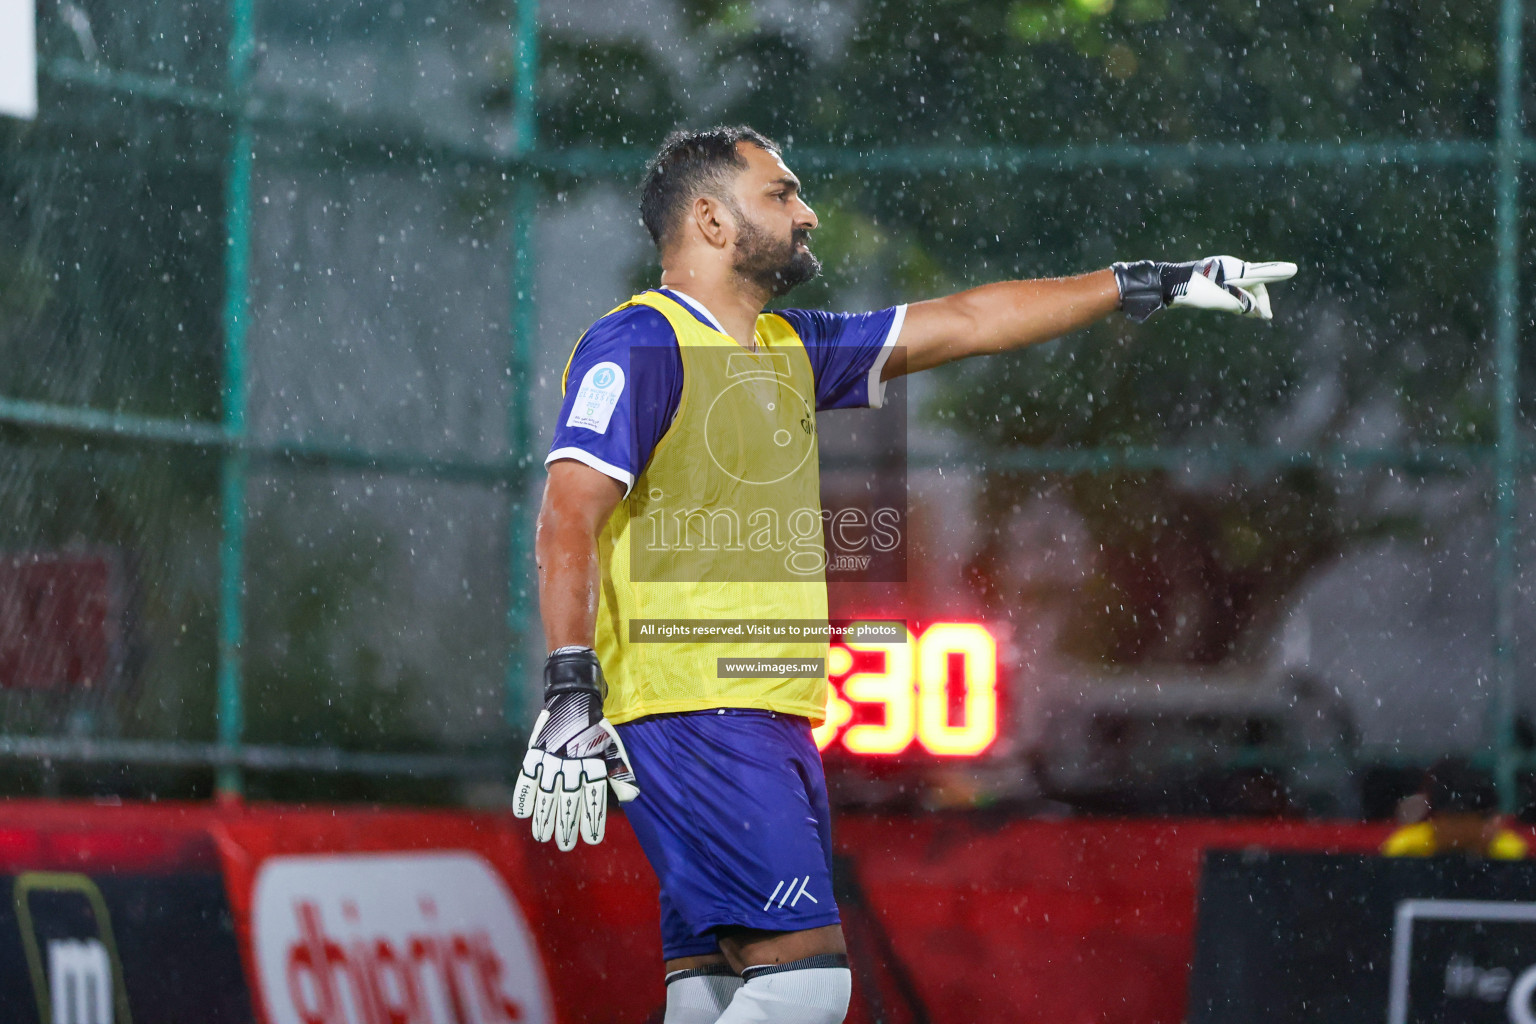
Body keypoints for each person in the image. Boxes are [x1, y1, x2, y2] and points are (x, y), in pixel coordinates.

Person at [512, 124, 1295, 1024]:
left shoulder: (786, 347)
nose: (806, 214)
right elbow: (567, 517)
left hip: (760, 717)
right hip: (699, 713)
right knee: (806, 986)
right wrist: (570, 684)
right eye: (781, 193)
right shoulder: (640, 345)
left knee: (711, 997)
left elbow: (967, 321)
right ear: (709, 220)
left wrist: (1138, 284)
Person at [1381, 756, 1529, 859]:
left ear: (1487, 822)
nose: (1457, 831)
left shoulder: (1510, 853)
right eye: (1451, 819)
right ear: (1435, 821)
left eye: (1464, 819)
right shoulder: (1406, 849)